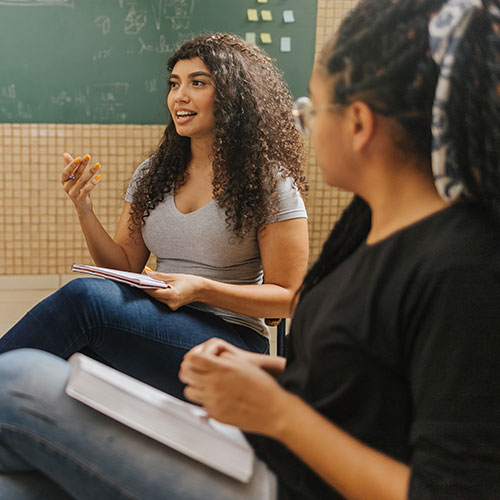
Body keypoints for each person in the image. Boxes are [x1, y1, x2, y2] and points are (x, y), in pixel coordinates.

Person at [1, 0, 500, 498]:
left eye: (310, 111)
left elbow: (292, 305)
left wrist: (272, 404)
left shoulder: (458, 267)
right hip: (251, 413)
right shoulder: (367, 227)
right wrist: (266, 374)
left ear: (359, 123)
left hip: (271, 454)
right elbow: (357, 381)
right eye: (174, 83)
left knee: (44, 350)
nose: (180, 95)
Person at [0, 34, 308, 399]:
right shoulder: (154, 173)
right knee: (67, 356)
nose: (180, 95)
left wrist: (200, 289)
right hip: (162, 322)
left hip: (231, 340)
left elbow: (288, 297)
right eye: (174, 84)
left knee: (86, 300)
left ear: (233, 96)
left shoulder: (269, 183)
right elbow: (127, 265)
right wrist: (84, 208)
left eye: (198, 83)